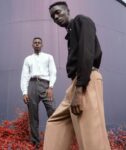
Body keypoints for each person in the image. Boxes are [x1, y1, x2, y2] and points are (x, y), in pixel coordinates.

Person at [43, 1, 111, 150]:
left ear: (67, 10)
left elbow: (87, 53)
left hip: (86, 80)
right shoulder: (71, 33)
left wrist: (79, 90)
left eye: (58, 12)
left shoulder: (82, 21)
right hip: (76, 83)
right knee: (55, 123)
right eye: (53, 17)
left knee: (91, 136)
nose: (56, 17)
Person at [20, 37, 57, 148]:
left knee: (52, 110)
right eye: (35, 43)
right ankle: (36, 143)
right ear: (32, 45)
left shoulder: (49, 57)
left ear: (42, 45)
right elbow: (24, 76)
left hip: (45, 85)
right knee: (33, 116)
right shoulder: (28, 59)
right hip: (32, 85)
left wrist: (50, 87)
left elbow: (53, 72)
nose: (37, 44)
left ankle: (54, 140)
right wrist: (24, 92)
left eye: (39, 42)